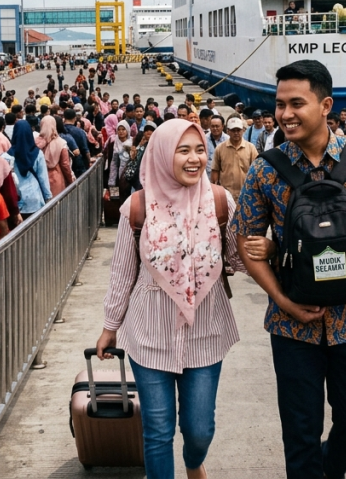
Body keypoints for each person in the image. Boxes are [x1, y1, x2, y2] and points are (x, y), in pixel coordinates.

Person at [232, 60, 346, 479]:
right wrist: (282, 300)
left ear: (326, 105)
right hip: (291, 325)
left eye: (296, 103)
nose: (285, 114)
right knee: (299, 432)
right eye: (280, 104)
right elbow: (245, 243)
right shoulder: (266, 168)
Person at [95, 118, 245, 479]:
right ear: (162, 155)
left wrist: (262, 246)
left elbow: (238, 259)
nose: (194, 159)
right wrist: (110, 327)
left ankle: (194, 462)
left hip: (205, 332)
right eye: (183, 151)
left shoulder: (220, 202)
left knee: (199, 428)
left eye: (200, 150)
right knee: (158, 430)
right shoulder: (138, 207)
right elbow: (122, 273)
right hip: (150, 334)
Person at [10, 120, 53, 219]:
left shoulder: (7, 156)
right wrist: (48, 197)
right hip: (34, 199)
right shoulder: (37, 154)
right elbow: (43, 178)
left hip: (14, 202)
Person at [210, 117, 258, 200]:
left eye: (238, 130)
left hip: (246, 193)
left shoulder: (251, 148)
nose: (236, 133)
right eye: (233, 130)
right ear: (228, 131)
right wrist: (216, 191)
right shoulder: (220, 148)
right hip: (226, 194)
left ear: (243, 130)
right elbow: (215, 170)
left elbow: (256, 170)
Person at [38, 115, 75, 197]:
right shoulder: (61, 143)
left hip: (40, 179)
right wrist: (70, 180)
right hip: (56, 179)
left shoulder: (36, 142)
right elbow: (65, 165)